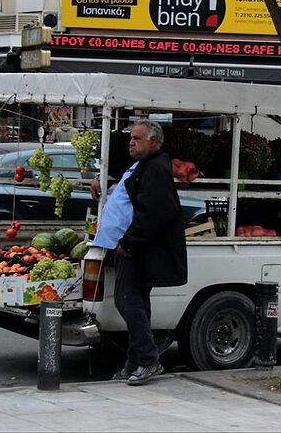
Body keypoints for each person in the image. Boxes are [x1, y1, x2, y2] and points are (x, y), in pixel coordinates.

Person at [92, 120, 187, 385]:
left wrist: (129, 241)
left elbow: (155, 212)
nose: (131, 142)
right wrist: (101, 178)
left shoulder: (156, 169)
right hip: (130, 246)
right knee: (135, 302)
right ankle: (135, 361)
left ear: (153, 142)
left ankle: (148, 360)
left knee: (128, 300)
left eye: (137, 138)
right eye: (131, 138)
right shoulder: (143, 164)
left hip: (135, 248)